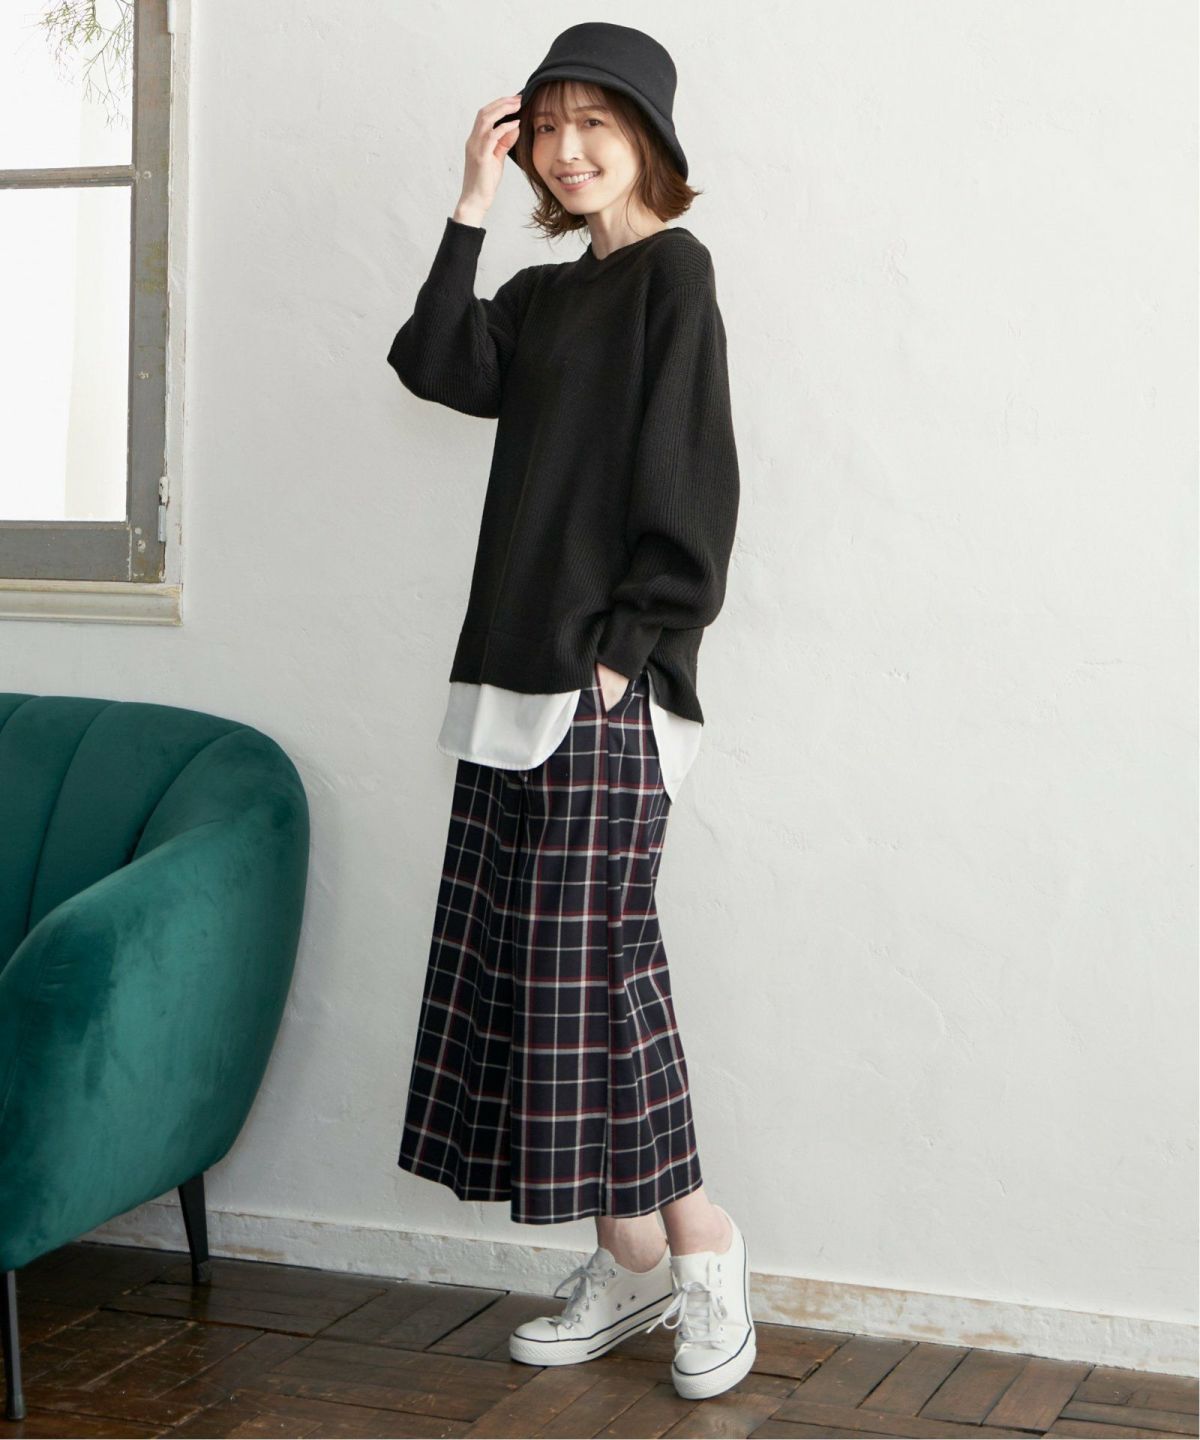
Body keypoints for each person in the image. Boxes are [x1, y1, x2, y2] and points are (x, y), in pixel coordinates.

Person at [386, 22, 752, 1402]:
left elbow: (698, 478)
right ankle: (628, 1254)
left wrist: (630, 648)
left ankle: (702, 1248)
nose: (568, 149)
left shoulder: (675, 276)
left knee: (600, 972)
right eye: (547, 127)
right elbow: (435, 360)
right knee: (537, 980)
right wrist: (469, 201)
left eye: (595, 123)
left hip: (603, 687)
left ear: (649, 139)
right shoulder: (542, 299)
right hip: (509, 679)